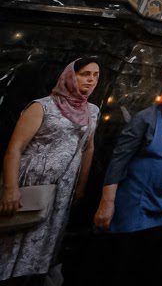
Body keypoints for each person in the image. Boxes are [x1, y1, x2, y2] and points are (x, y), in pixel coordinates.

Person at [95, 66, 162, 286]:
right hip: (138, 202)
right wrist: (107, 203)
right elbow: (119, 160)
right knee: (130, 264)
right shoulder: (146, 118)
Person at [0, 58, 100, 283]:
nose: (91, 80)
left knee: (44, 241)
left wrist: (81, 186)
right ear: (70, 75)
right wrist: (10, 188)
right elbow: (15, 148)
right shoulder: (43, 106)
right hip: (31, 182)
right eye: (85, 74)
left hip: (61, 190)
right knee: (15, 235)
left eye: (95, 76)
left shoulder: (92, 111)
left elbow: (88, 148)